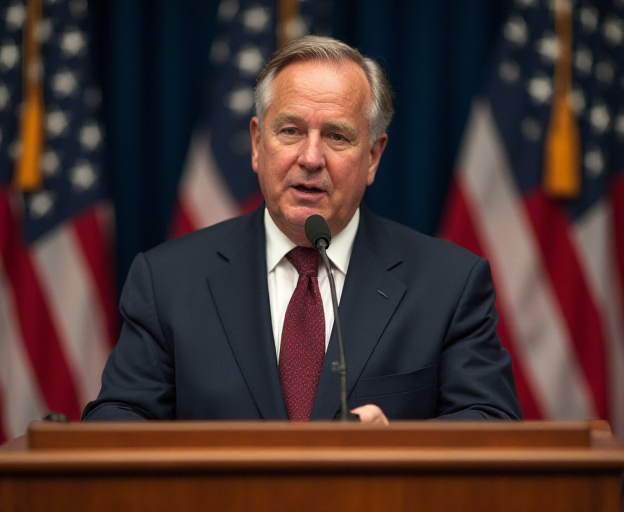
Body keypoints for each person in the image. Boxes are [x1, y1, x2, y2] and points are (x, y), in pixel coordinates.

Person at [82, 36, 521, 423]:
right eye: (290, 131)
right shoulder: (168, 282)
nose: (310, 158)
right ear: (257, 144)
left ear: (373, 156)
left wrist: (399, 447)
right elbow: (118, 419)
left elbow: (490, 422)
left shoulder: (449, 284)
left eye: (337, 136)